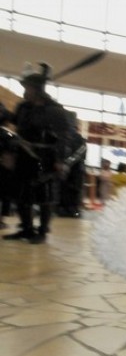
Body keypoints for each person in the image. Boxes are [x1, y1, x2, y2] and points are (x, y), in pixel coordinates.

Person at [0, 62, 82, 244]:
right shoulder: (24, 107)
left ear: (36, 89)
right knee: (22, 194)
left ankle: (42, 231)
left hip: (45, 158)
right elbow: (13, 120)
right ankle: (27, 229)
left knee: (45, 195)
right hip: (23, 155)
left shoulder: (55, 111)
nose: (24, 91)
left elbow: (65, 138)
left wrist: (60, 160)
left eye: (27, 87)